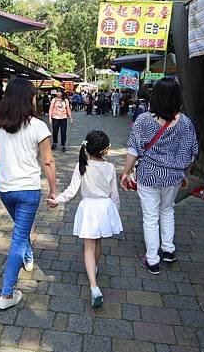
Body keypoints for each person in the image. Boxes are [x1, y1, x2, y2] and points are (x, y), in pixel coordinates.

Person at [0, 79, 57, 310]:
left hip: (5, 189)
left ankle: (28, 257)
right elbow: (48, 161)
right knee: (18, 237)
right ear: (29, 98)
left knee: (21, 228)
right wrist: (54, 190)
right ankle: (7, 294)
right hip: (28, 190)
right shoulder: (38, 126)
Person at [120, 78, 198, 275]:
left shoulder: (144, 120)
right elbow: (191, 152)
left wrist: (126, 172)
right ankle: (168, 250)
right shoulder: (186, 123)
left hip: (149, 175)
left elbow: (133, 150)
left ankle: (152, 259)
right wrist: (185, 175)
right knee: (167, 210)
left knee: (151, 216)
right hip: (173, 176)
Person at [48, 130, 122, 308]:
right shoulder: (110, 168)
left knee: (88, 246)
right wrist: (115, 214)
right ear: (104, 151)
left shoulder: (82, 164)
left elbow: (71, 191)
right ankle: (93, 270)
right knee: (97, 243)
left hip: (89, 208)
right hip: (104, 208)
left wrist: (56, 200)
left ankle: (94, 286)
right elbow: (115, 195)